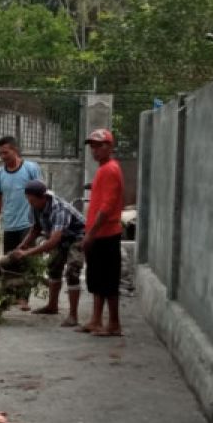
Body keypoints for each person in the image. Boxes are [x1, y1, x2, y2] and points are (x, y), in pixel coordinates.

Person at [10, 179, 86, 327]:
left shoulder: (60, 209)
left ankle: (73, 315)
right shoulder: (35, 205)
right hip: (60, 237)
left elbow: (53, 241)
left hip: (78, 238)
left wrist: (28, 253)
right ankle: (52, 306)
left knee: (72, 271)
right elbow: (36, 229)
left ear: (43, 198)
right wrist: (22, 245)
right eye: (28, 200)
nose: (30, 203)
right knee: (53, 266)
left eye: (32, 200)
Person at [0, 135, 42, 310]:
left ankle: (24, 298)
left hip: (29, 223)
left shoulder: (31, 169)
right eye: (0, 154)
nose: (2, 156)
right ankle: (11, 296)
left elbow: (41, 194)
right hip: (9, 224)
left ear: (15, 150)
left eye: (6, 152)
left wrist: (42, 222)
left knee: (25, 260)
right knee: (9, 262)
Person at [81, 129, 125, 336]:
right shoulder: (103, 169)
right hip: (99, 234)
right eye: (93, 146)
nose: (95, 150)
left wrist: (91, 234)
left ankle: (113, 323)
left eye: (99, 146)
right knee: (97, 279)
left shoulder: (110, 170)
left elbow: (107, 208)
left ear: (110, 147)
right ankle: (96, 320)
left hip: (106, 234)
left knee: (108, 281)